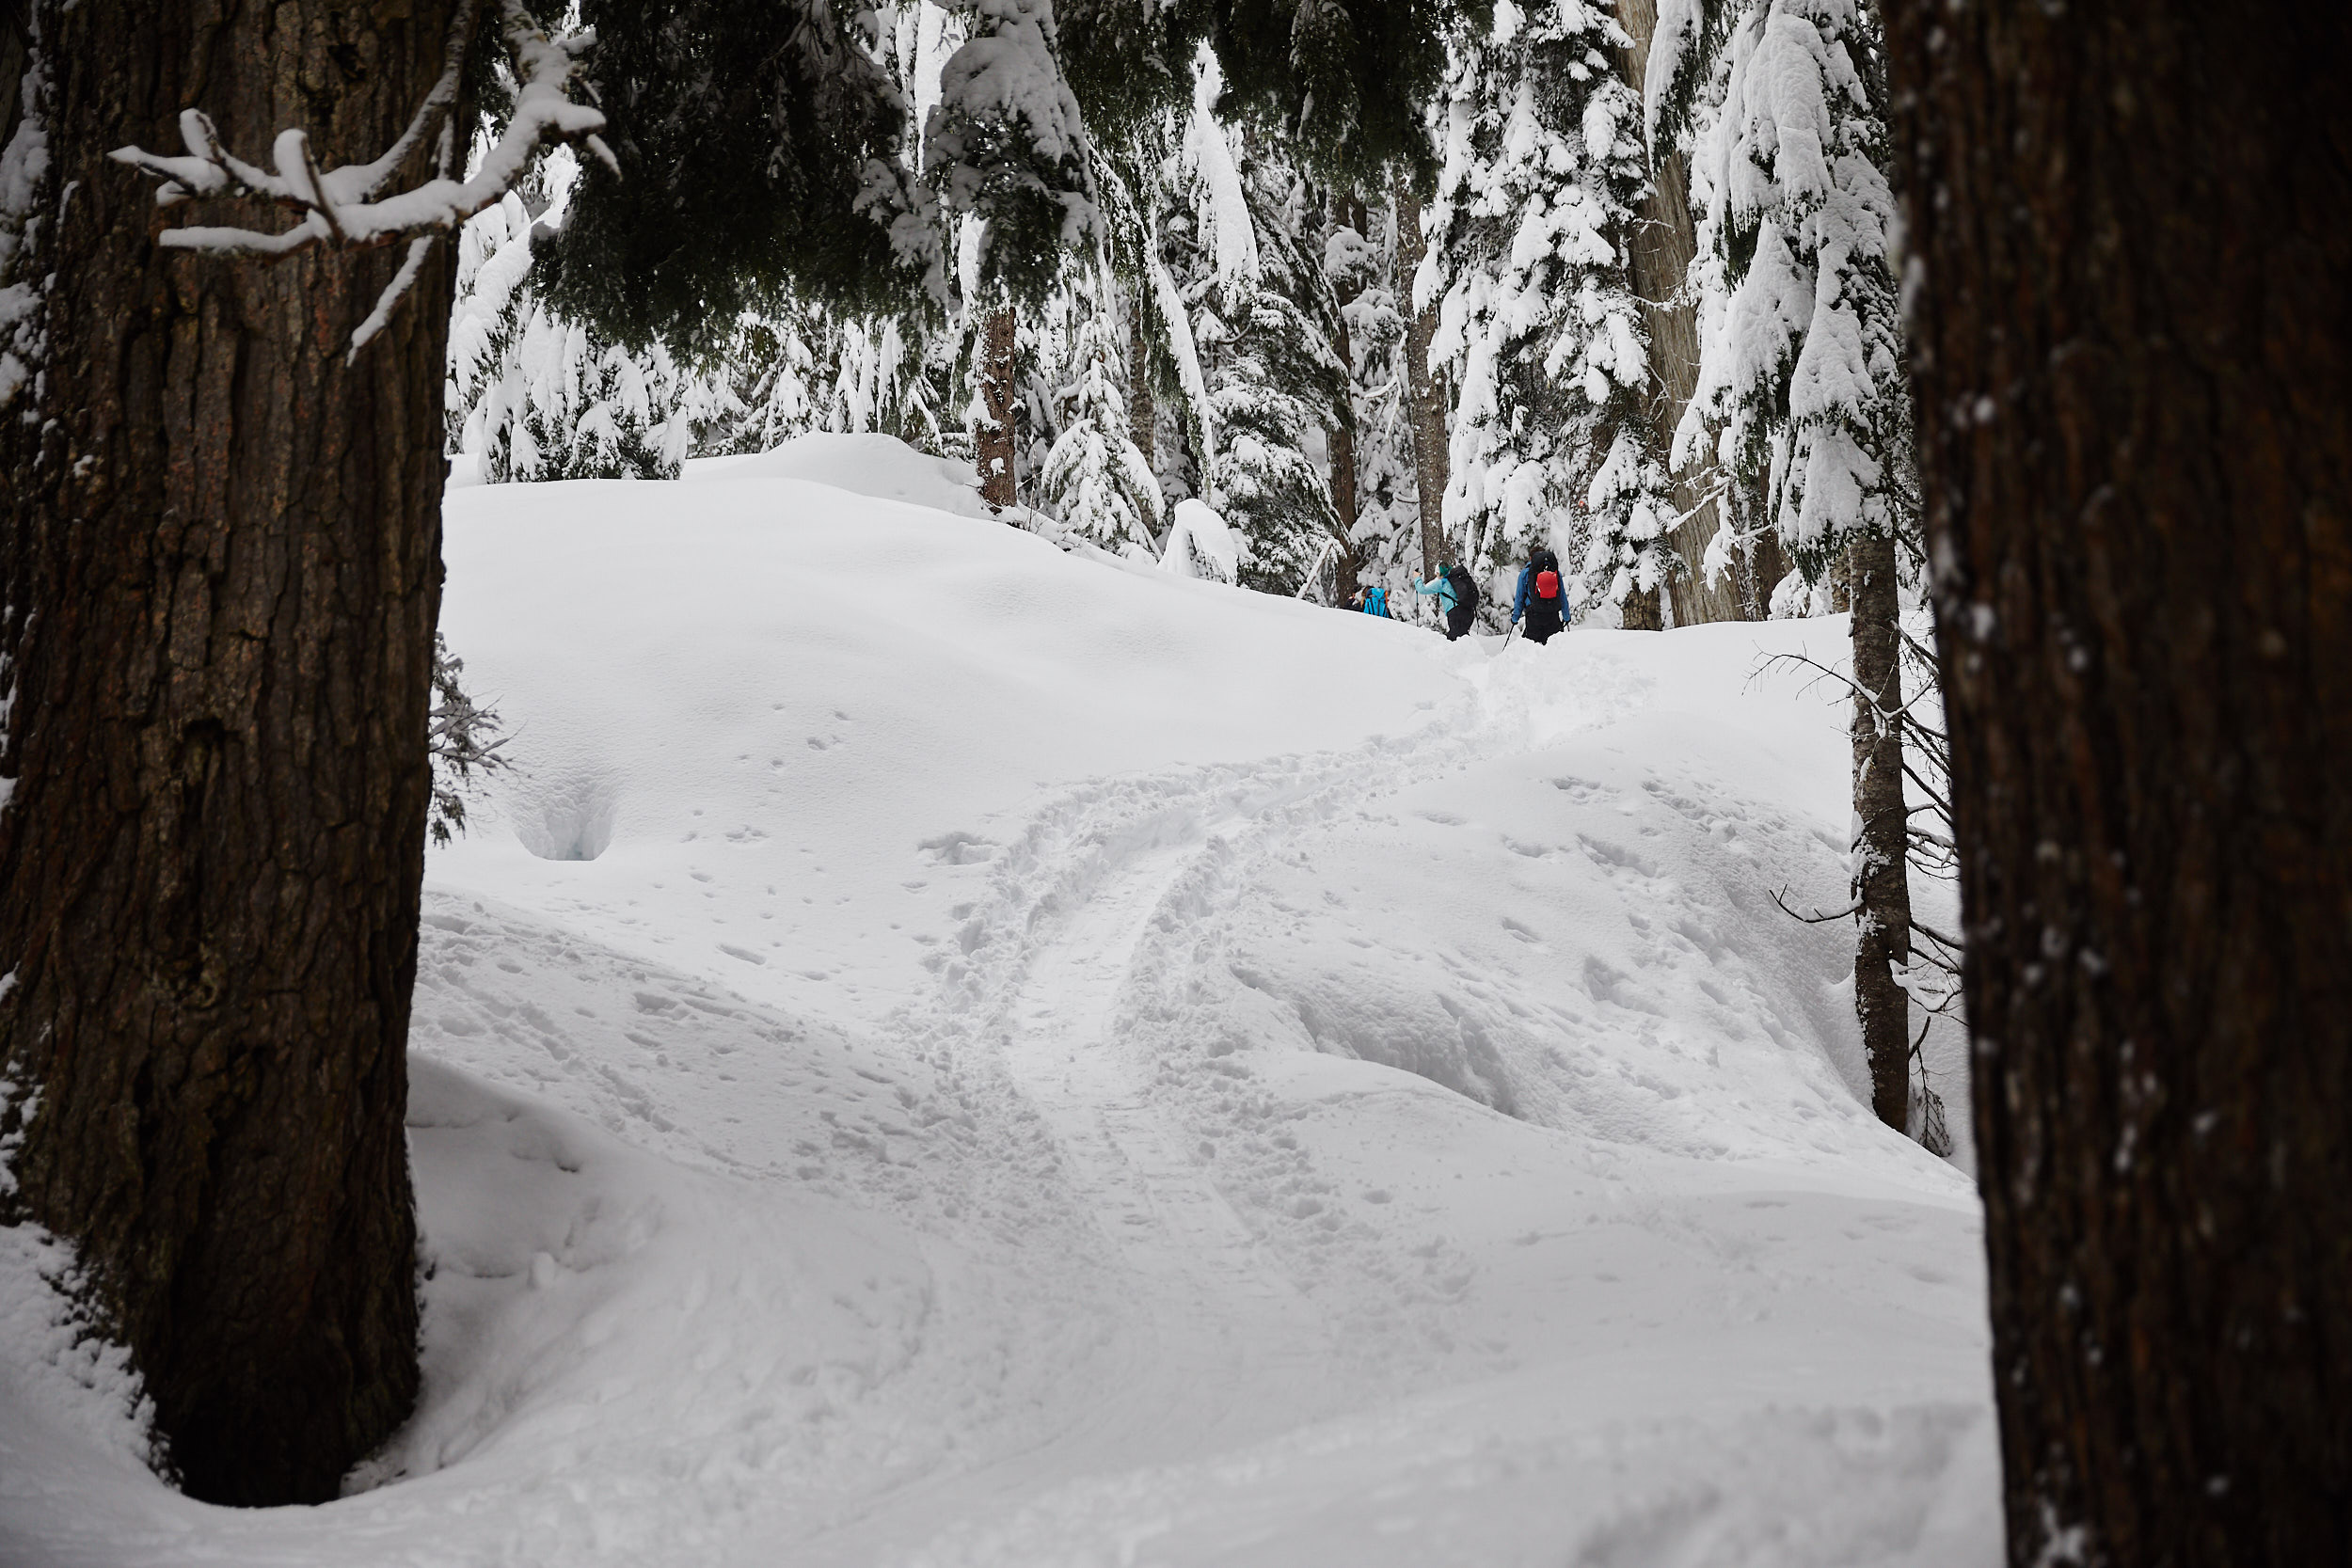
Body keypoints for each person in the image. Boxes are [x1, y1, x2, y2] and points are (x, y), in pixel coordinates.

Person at [1510, 546, 1567, 645]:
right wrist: (1566, 616)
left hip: (1533, 616)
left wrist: (1515, 618)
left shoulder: (1525, 574)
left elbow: (1519, 598)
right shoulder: (1555, 572)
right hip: (1552, 614)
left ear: (1531, 558)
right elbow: (1562, 596)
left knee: (1533, 648)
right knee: (1553, 646)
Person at [1417, 562, 1481, 641]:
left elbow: (1422, 590)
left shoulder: (1442, 583)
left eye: (1437, 573)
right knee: (1460, 638)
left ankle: (1470, 653)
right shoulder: (1456, 579)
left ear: (1440, 573)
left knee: (1456, 639)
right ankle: (1469, 652)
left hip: (1456, 613)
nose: (1436, 575)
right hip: (1468, 612)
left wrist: (1417, 578)